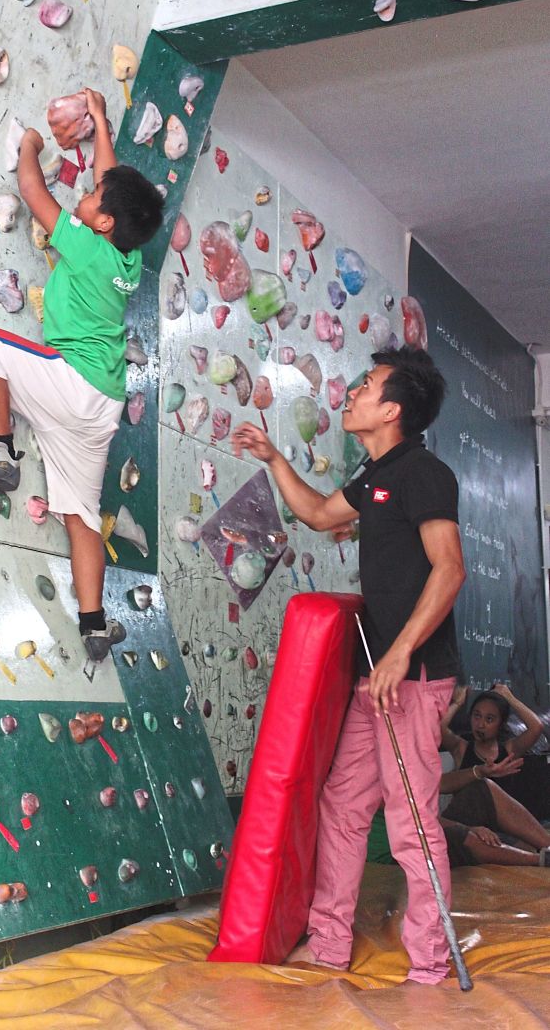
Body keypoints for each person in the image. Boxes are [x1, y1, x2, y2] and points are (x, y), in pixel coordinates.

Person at [232, 345, 466, 984]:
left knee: (410, 819)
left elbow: (449, 570)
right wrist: (276, 458)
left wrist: (398, 655)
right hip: (377, 675)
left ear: (390, 409)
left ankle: (430, 960)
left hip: (410, 677)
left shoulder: (424, 473)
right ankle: (330, 941)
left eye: (366, 385)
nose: (353, 392)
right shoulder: (373, 474)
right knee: (342, 805)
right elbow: (315, 514)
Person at [0, 89, 164, 662]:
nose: (86, 195)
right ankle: (94, 623)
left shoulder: (88, 246)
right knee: (80, 514)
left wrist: (31, 144)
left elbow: (32, 191)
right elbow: (113, 179)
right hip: (102, 405)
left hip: (75, 383)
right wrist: (97, 123)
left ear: (103, 221)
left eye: (91, 196)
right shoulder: (128, 257)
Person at [441, 683, 549, 822]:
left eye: (489, 719)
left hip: (502, 826)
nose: (481, 724)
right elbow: (439, 728)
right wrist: (458, 702)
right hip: (469, 826)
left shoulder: (509, 749)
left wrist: (509, 697)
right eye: (477, 716)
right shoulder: (461, 748)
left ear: (500, 724)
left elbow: (536, 727)